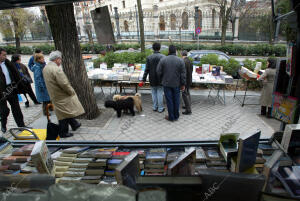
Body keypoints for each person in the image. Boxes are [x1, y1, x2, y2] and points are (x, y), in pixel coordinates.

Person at [43, 51, 84, 138]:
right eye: (60, 59)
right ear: (57, 59)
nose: (61, 61)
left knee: (65, 111)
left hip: (54, 94)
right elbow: (64, 83)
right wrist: (71, 92)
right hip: (61, 94)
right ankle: (63, 132)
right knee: (63, 114)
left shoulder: (46, 68)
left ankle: (74, 124)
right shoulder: (56, 70)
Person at [157, 45, 186, 122]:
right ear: (175, 51)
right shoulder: (180, 60)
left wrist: (162, 79)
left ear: (169, 51)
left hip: (166, 84)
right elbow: (183, 74)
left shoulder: (163, 60)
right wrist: (183, 84)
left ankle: (171, 117)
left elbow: (158, 72)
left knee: (169, 100)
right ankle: (176, 116)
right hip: (177, 84)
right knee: (176, 100)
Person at [0, 48, 26, 133]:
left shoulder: (7, 63)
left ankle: (21, 125)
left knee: (16, 108)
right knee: (4, 110)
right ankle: (3, 125)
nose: (5, 56)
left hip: (11, 88)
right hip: (1, 91)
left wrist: (19, 86)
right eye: (3, 55)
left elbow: (15, 74)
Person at [141, 43, 165, 113]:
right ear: (160, 48)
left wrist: (143, 79)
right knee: (160, 93)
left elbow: (147, 69)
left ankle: (155, 107)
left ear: (152, 48)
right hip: (160, 78)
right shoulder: (163, 57)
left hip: (152, 78)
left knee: (153, 93)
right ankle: (160, 108)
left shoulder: (149, 57)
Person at [181, 50, 193, 115]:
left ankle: (188, 109)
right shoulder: (190, 61)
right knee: (187, 93)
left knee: (184, 94)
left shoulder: (183, 62)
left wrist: (183, 83)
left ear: (181, 55)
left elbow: (183, 73)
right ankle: (188, 106)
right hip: (189, 80)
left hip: (185, 81)